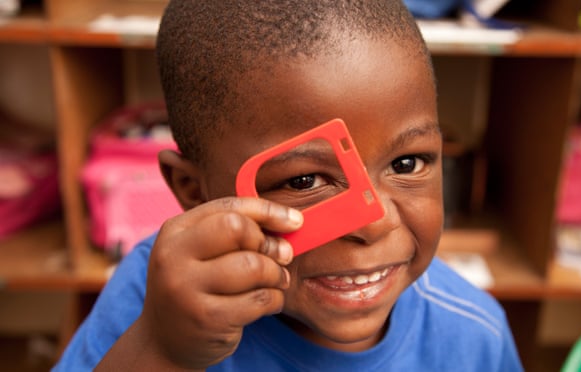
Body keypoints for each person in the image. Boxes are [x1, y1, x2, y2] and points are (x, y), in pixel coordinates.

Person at [54, 0, 523, 370]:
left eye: (406, 163)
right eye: (303, 180)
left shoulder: (475, 335)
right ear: (194, 192)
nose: (375, 223)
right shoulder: (154, 303)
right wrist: (164, 351)